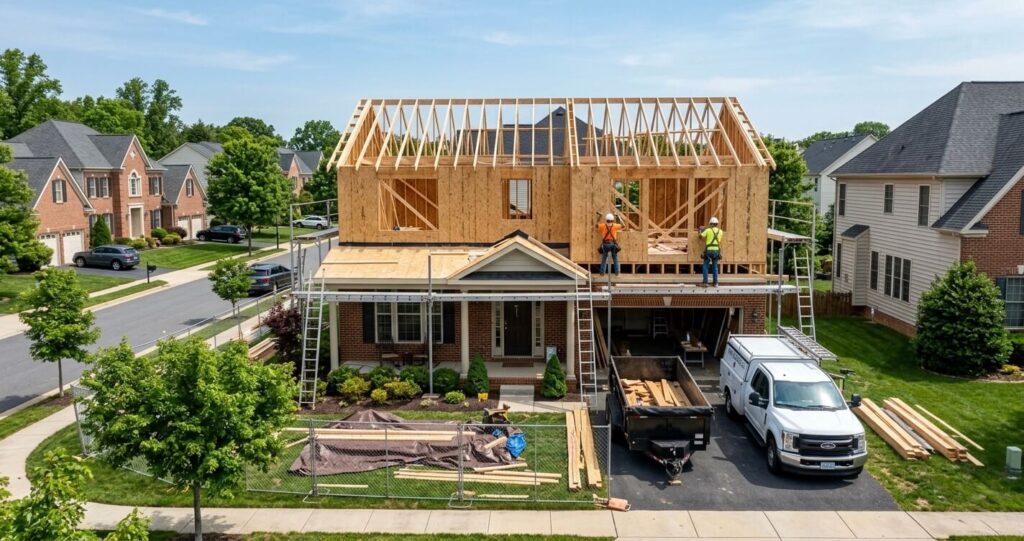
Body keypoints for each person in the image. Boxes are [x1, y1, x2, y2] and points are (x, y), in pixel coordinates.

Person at [700, 216, 723, 287]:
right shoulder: (720, 231)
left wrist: (700, 230)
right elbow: (719, 240)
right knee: (715, 266)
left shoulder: (708, 230)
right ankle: (715, 283)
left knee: (705, 266)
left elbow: (700, 236)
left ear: (711, 224)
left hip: (709, 251)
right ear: (717, 224)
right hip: (716, 251)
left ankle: (705, 282)